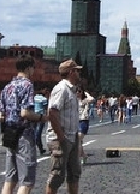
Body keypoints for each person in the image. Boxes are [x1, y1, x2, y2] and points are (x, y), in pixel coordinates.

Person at [0, 54, 40, 194]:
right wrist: (42, 117)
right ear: (28, 68)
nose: (34, 70)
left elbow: (1, 116)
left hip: (10, 134)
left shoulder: (7, 87)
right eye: (33, 67)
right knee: (26, 181)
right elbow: (25, 113)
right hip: (24, 134)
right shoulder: (28, 85)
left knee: (10, 179)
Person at [46, 59, 83, 194]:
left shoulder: (72, 90)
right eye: (77, 71)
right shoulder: (61, 89)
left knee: (74, 174)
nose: (79, 73)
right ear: (71, 72)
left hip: (72, 136)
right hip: (61, 139)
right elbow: (52, 112)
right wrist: (61, 137)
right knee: (56, 177)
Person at [78, 89, 94, 165]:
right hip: (76, 121)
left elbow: (92, 99)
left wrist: (87, 94)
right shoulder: (74, 100)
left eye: (79, 91)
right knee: (78, 141)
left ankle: (76, 159)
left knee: (78, 139)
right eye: (77, 91)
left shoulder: (85, 100)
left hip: (84, 120)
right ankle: (84, 156)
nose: (78, 92)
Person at [34, 88, 49, 155]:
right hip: (41, 117)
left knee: (36, 133)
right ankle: (40, 147)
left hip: (34, 117)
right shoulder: (44, 99)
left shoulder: (34, 97)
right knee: (38, 133)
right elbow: (46, 108)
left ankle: (39, 147)